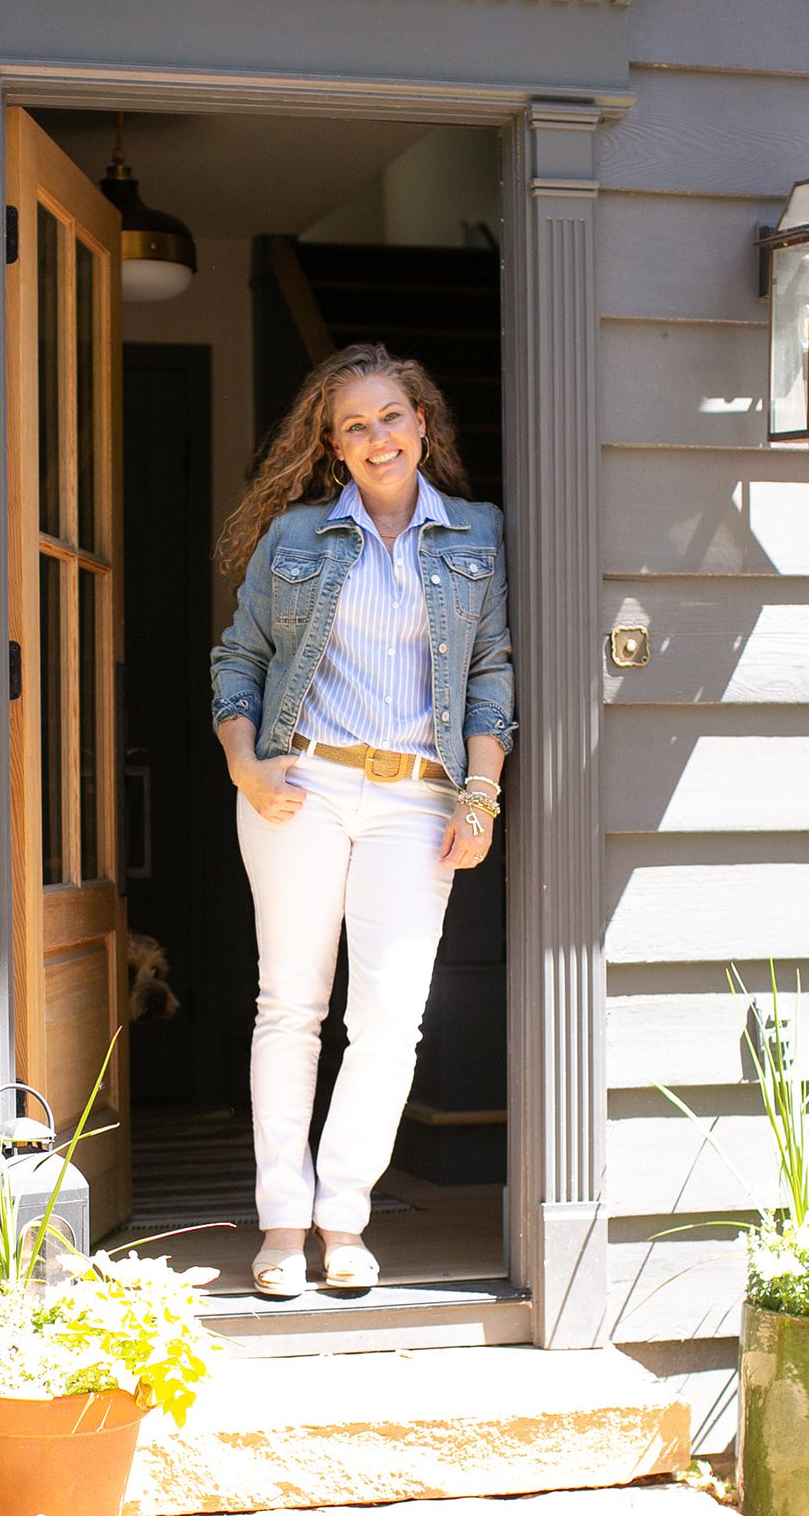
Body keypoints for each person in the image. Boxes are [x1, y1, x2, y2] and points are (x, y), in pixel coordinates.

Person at [211, 343, 515, 1297]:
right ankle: (280, 1225)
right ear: (331, 445)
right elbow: (240, 659)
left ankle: (344, 1219)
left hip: (415, 800)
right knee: (290, 1008)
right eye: (355, 425)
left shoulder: (476, 534)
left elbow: (490, 671)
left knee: (388, 1019)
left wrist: (481, 790)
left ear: (422, 423)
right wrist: (245, 767)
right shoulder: (298, 539)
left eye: (392, 417)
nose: (377, 437)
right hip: (298, 789)